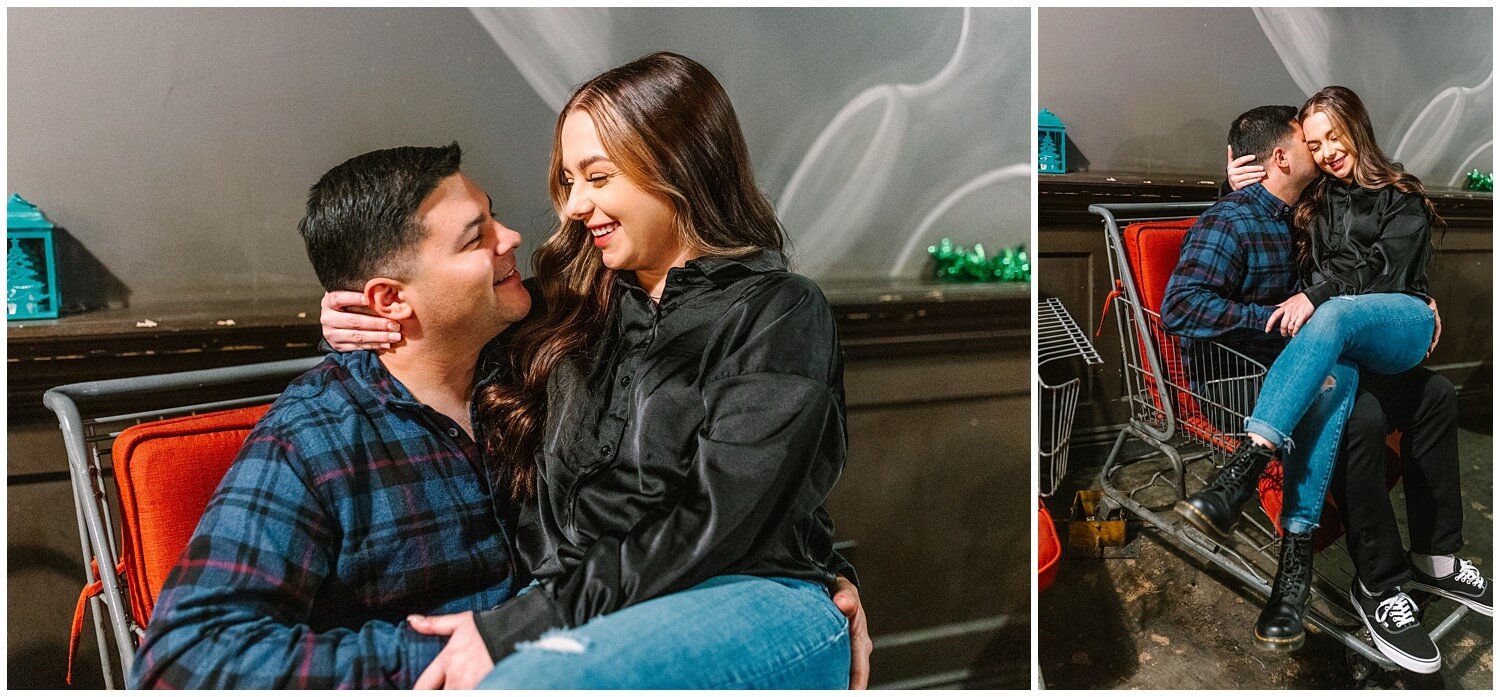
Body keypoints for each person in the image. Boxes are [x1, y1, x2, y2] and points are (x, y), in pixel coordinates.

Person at [319, 53, 859, 689]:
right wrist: (352, 321)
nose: (574, 205)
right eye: (568, 181)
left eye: (598, 178)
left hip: (745, 596)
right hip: (596, 615)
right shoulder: (566, 306)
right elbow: (436, 312)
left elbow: (724, 517)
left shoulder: (779, 311)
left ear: (677, 168)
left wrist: (530, 621)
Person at [130, 144, 531, 688]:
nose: (511, 239)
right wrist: (466, 649)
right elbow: (184, 659)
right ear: (388, 300)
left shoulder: (539, 365)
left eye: (495, 217)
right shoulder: (314, 437)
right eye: (475, 237)